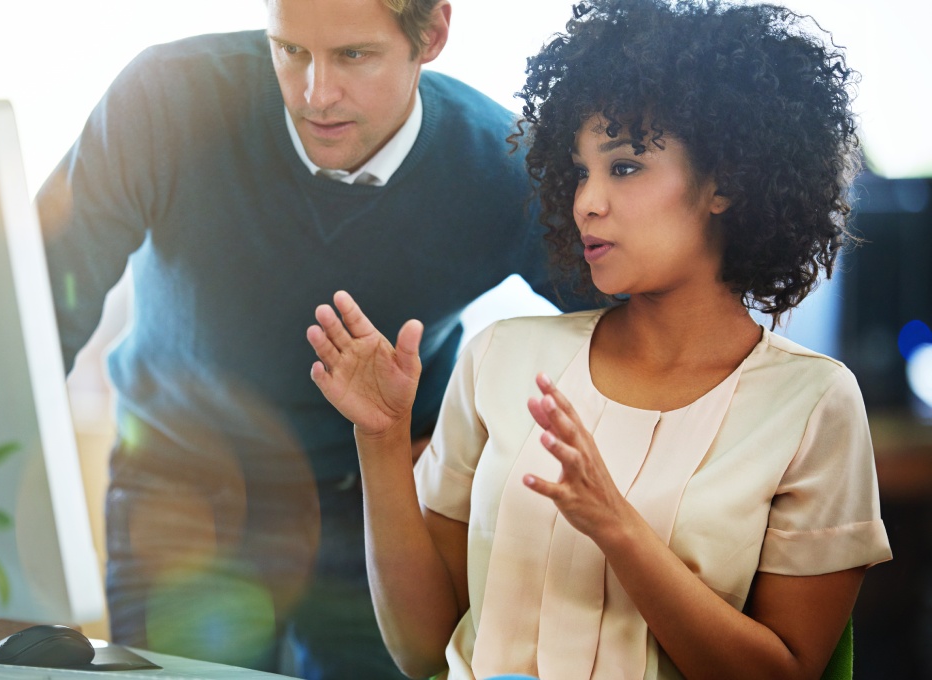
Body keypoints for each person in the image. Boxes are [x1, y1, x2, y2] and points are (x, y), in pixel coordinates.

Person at [0, 0, 584, 676]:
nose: (316, 93)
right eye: (290, 50)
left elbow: (642, 321)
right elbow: (35, 318)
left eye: (353, 56)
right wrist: (4, 576)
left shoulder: (506, 167)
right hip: (182, 491)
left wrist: (474, 457)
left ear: (433, 34)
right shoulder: (165, 100)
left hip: (372, 502)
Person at [306, 0, 893, 678]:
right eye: (580, 171)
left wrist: (617, 527)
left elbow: (785, 672)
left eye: (623, 167)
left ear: (726, 181)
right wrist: (382, 440)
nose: (586, 201)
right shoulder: (502, 357)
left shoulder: (811, 402)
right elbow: (419, 648)